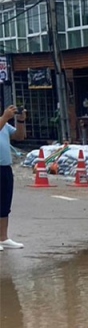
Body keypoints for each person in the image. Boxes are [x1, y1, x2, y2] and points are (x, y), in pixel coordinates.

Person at [0, 104, 28, 250]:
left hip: (5, 167)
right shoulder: (2, 122)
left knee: (5, 204)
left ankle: (3, 238)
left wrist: (21, 121)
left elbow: (19, 136)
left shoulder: (3, 124)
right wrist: (5, 117)